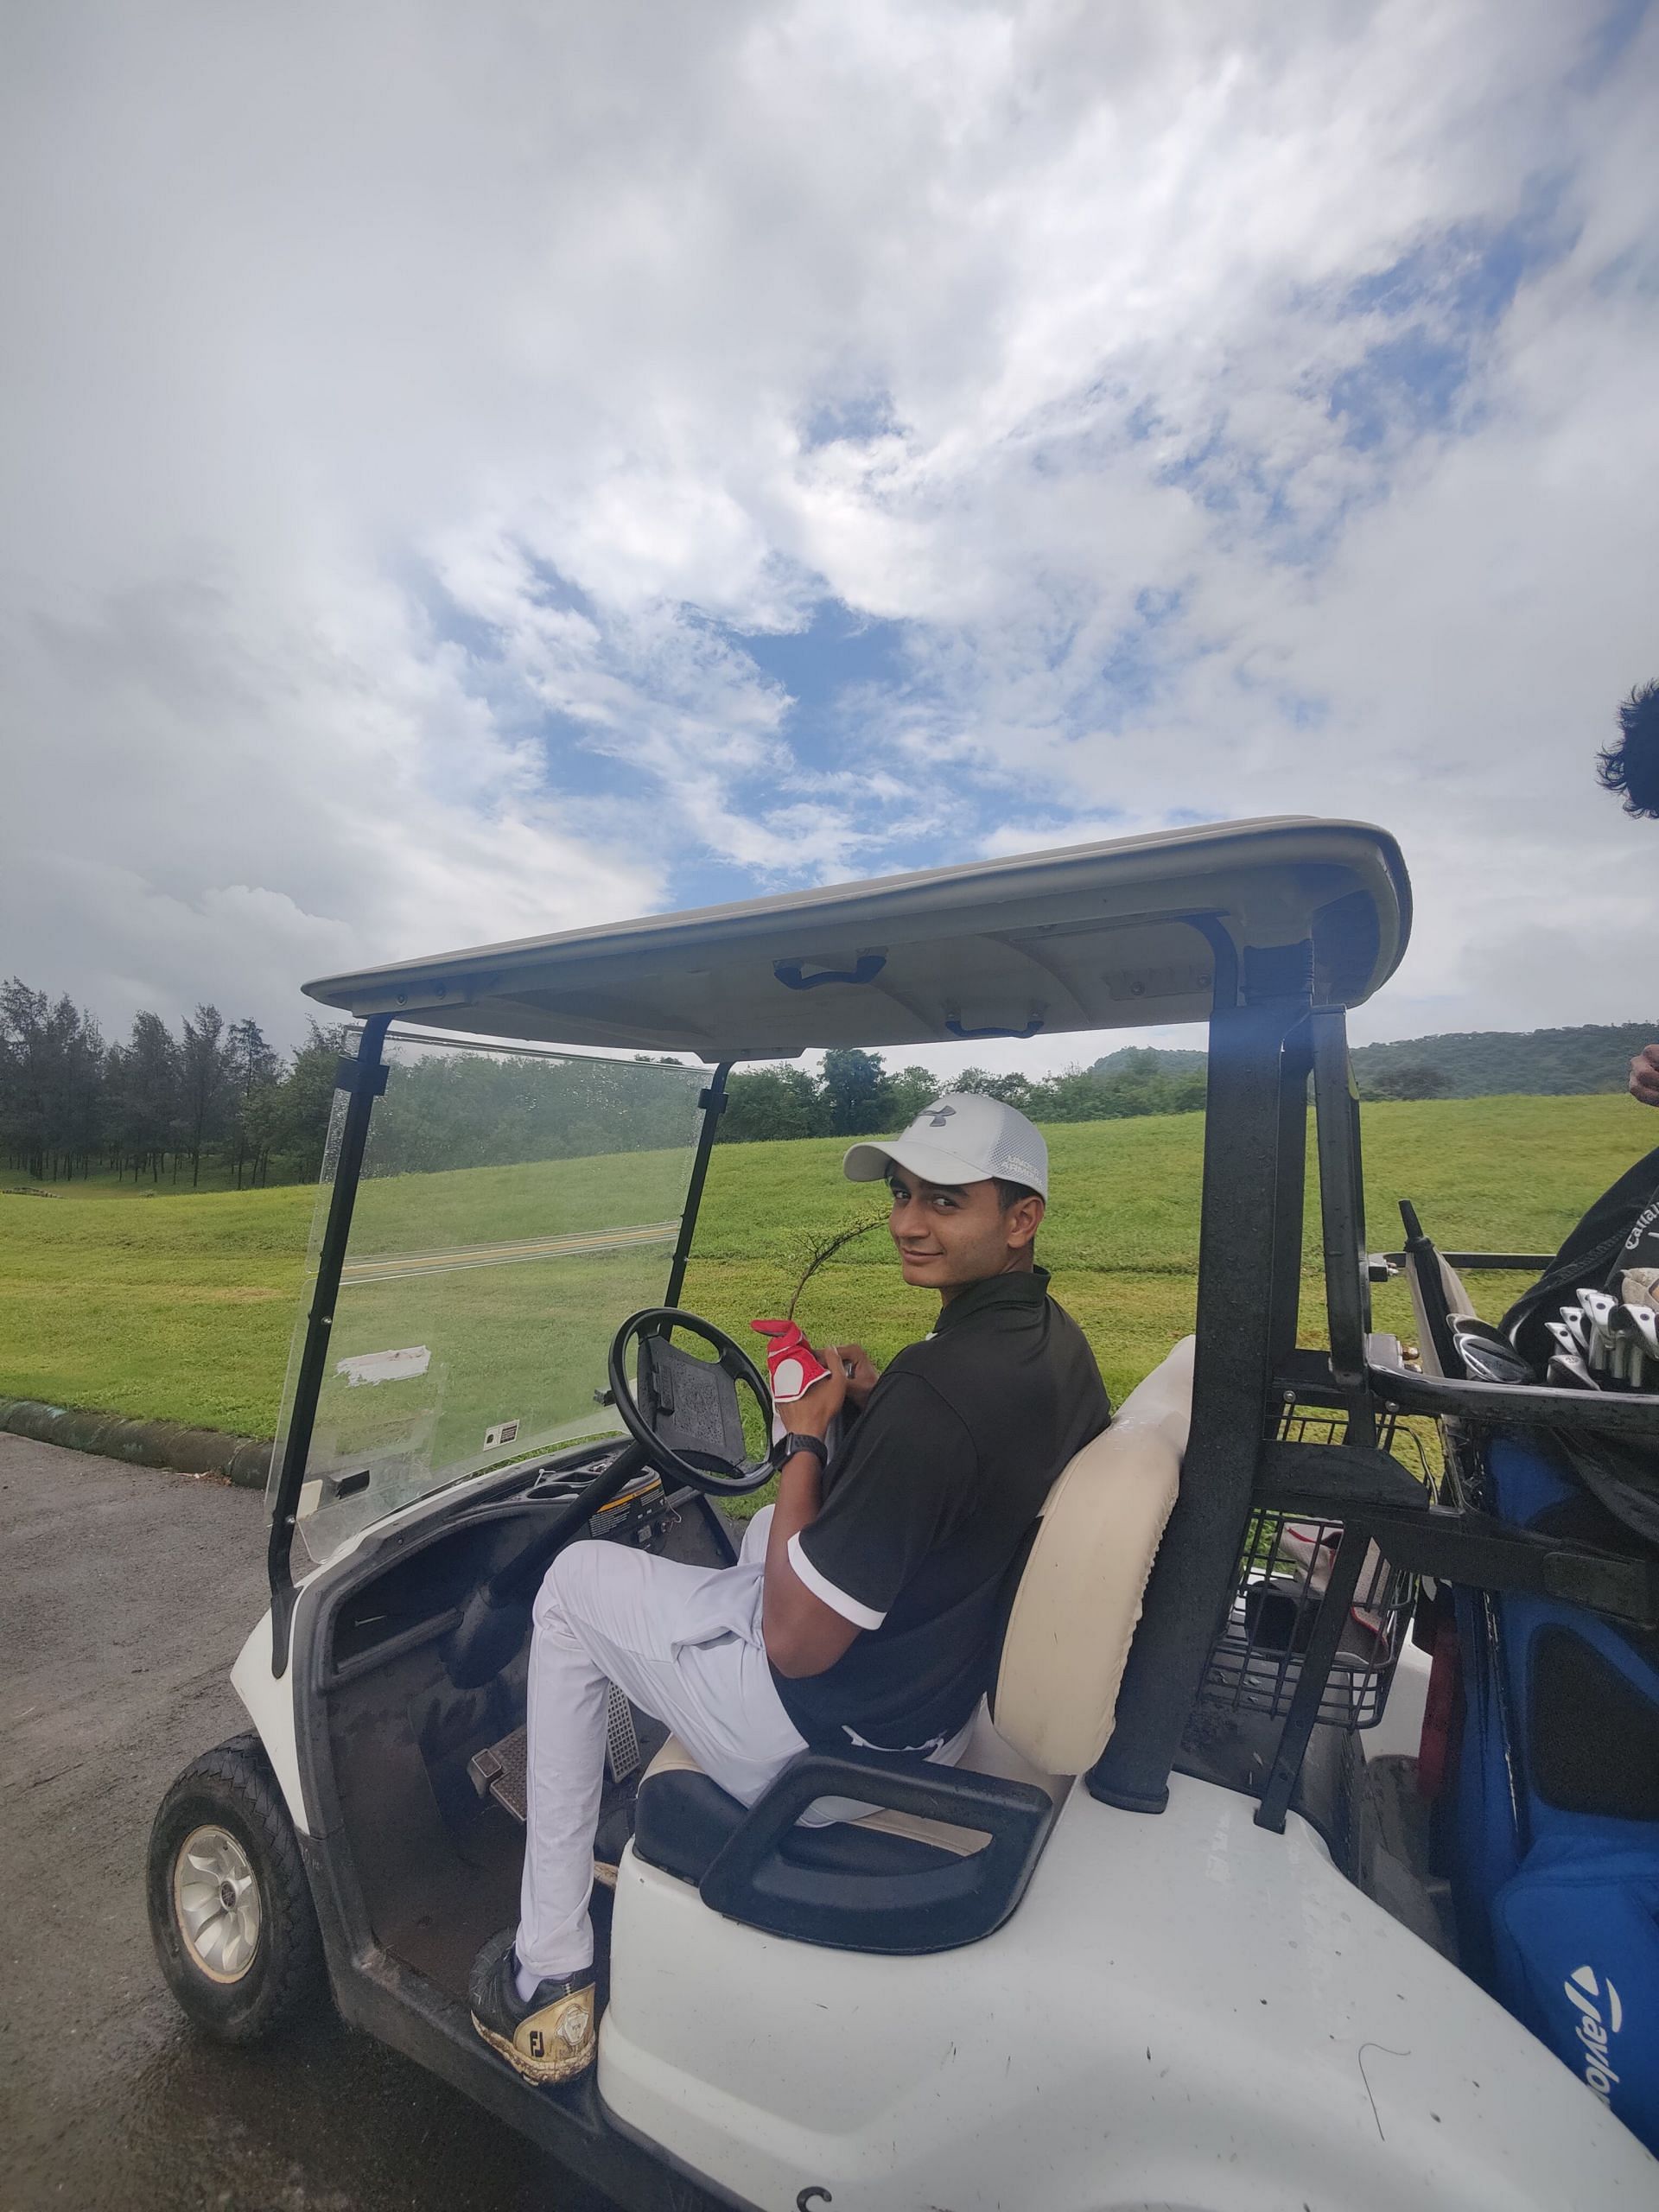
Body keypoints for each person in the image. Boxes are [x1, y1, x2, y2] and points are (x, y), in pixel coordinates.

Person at [468, 1091, 1111, 2084]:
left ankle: (546, 1973)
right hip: (923, 1698)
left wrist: (805, 1432)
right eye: (904, 1194)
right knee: (770, 1528)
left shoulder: (938, 1402)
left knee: (571, 1587)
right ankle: (649, 1750)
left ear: (1020, 1218)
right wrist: (872, 1394)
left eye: (947, 1201)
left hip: (823, 1743)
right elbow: (957, 1469)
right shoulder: (1051, 1349)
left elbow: (799, 1642)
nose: (907, 1221)